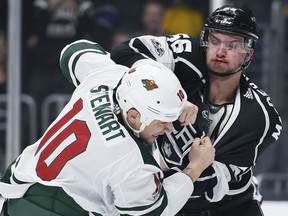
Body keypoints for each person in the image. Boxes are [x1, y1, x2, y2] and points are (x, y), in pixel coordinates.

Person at [0, 40, 215, 216]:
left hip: (17, 196)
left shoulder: (108, 78)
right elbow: (154, 212)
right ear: (134, 116)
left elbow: (72, 51)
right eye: (163, 120)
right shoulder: (132, 162)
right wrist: (195, 167)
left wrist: (173, 103)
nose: (169, 127)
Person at [110, 5, 283, 216]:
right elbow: (123, 52)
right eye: (215, 41)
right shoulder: (184, 55)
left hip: (232, 207)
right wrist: (168, 91)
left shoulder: (260, 117)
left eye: (232, 45)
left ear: (248, 54)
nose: (220, 51)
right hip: (174, 198)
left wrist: (156, 180)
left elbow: (207, 186)